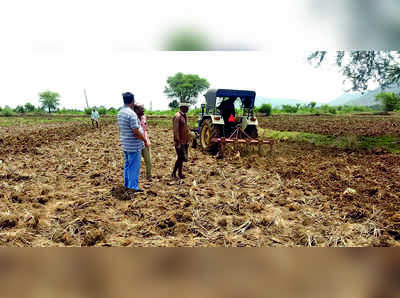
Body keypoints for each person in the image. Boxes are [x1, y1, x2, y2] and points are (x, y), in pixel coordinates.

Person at [117, 92, 149, 192]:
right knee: (134, 167)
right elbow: (136, 132)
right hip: (133, 146)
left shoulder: (120, 112)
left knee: (127, 165)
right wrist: (145, 140)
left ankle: (127, 184)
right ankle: (133, 187)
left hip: (125, 144)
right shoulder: (131, 114)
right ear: (132, 101)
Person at [134, 104, 152, 181]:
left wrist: (146, 140)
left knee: (148, 160)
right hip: (135, 143)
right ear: (136, 110)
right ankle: (135, 178)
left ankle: (149, 176)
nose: (143, 110)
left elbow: (145, 130)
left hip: (145, 142)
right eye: (141, 109)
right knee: (135, 162)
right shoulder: (133, 118)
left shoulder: (144, 117)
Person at [172, 102, 190, 179]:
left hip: (184, 140)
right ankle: (175, 173)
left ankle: (178, 173)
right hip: (180, 141)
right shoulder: (178, 116)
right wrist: (178, 142)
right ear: (182, 107)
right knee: (180, 157)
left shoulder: (184, 116)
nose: (188, 109)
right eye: (187, 107)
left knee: (181, 158)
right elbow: (175, 130)